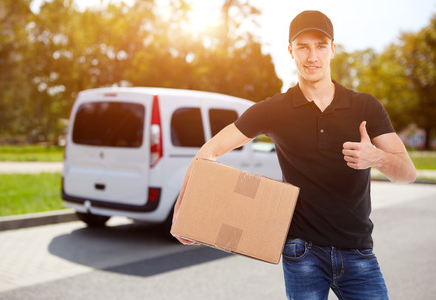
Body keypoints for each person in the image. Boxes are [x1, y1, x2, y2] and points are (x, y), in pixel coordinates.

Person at [171, 10, 416, 300]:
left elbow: (408, 173)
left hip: (358, 252)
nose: (312, 56)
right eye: (303, 46)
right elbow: (208, 152)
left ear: (333, 49)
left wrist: (375, 157)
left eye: (320, 45)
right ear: (290, 51)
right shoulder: (275, 110)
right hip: (303, 254)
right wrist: (183, 212)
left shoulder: (365, 107)